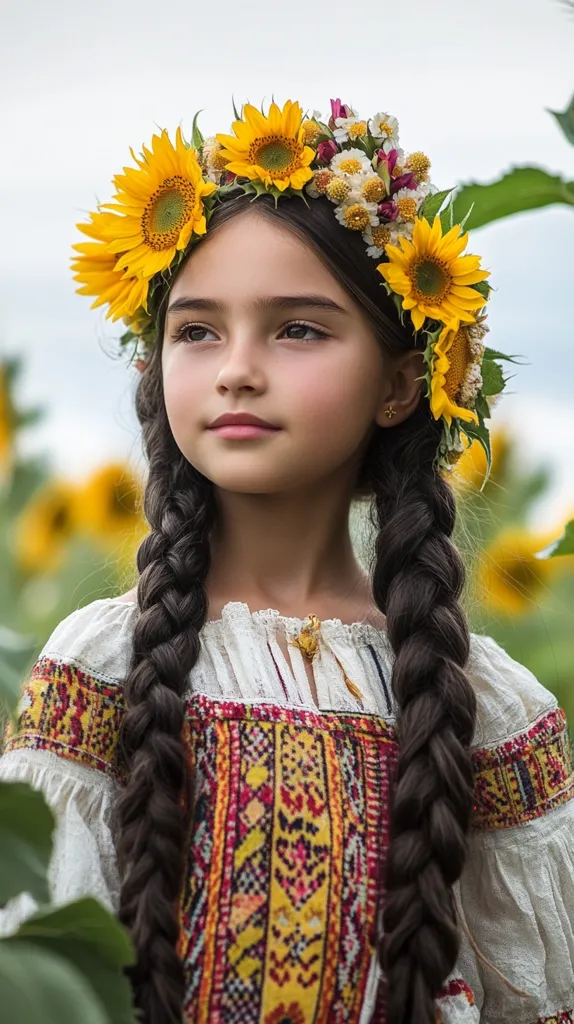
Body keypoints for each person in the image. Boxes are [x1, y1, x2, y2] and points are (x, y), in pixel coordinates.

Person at [1, 98, 572, 1024]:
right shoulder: (102, 667)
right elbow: (40, 979)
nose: (236, 368)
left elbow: (536, 992)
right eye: (197, 329)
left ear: (398, 382)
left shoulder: (484, 708)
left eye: (297, 328)